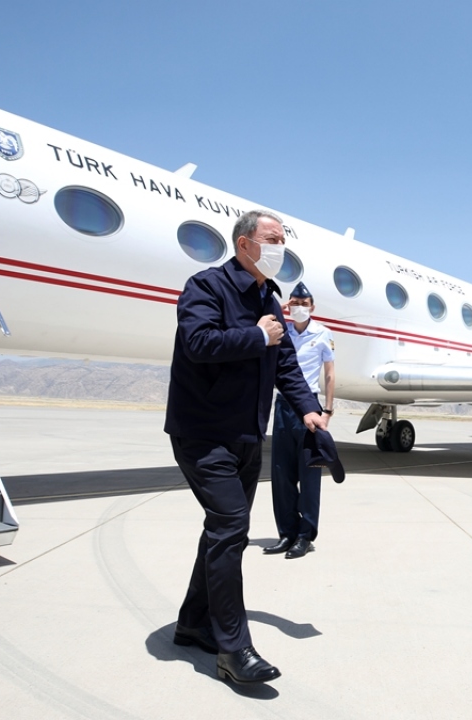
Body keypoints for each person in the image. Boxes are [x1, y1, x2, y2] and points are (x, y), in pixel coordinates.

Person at [164, 210, 326, 685]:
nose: (281, 247)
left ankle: (194, 622)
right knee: (232, 527)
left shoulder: (270, 301)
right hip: (203, 433)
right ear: (244, 244)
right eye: (273, 239)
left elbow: (287, 369)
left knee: (222, 530)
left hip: (247, 437)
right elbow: (197, 342)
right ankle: (234, 649)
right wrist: (256, 335)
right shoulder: (206, 287)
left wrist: (311, 409)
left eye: (283, 239)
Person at [266, 281, 336, 559]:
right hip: (284, 406)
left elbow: (329, 375)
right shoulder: (280, 331)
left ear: (312, 307)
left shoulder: (323, 335)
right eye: (294, 303)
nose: (299, 307)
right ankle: (286, 533)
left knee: (309, 475)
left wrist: (327, 411)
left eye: (304, 304)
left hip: (311, 408)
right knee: (281, 473)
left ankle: (305, 536)